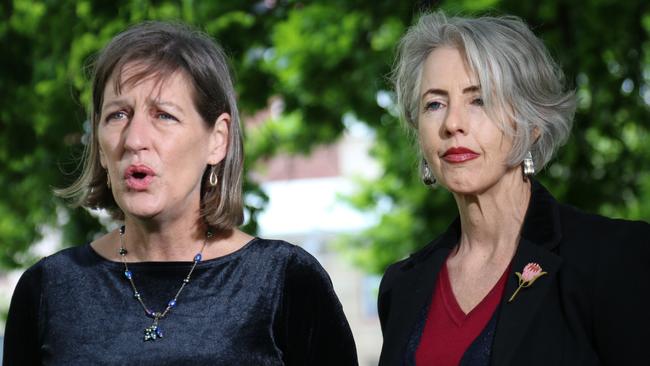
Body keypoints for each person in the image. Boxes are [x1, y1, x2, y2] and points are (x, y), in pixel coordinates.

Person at [3, 21, 358, 365]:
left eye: (164, 116)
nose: (134, 139)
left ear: (217, 139)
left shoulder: (286, 281)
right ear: (97, 141)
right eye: (118, 115)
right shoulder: (49, 288)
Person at [377, 11, 650, 366]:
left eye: (479, 99)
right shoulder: (401, 286)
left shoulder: (615, 258)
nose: (452, 124)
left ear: (531, 123)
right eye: (435, 104)